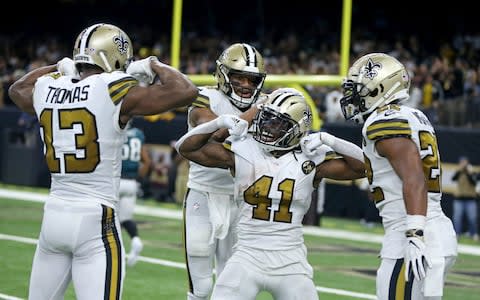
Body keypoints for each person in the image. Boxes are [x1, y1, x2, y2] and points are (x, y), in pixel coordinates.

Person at [8, 23, 197, 300]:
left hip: (53, 216)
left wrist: (56, 69)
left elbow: (17, 89)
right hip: (96, 219)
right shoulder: (112, 88)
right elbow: (184, 90)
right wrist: (153, 64)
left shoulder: (49, 87)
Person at [176, 89, 365, 300]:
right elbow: (184, 148)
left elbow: (364, 167)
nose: (267, 127)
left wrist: (330, 140)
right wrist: (218, 123)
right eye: (265, 119)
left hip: (291, 263)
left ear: (297, 127)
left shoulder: (311, 158)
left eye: (277, 123)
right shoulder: (244, 149)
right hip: (247, 257)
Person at [339, 52, 458, 299]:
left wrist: (415, 235)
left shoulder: (384, 121)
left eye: (361, 90)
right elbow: (374, 162)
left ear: (380, 88)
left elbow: (414, 178)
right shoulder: (412, 116)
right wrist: (329, 141)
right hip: (434, 230)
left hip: (412, 233)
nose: (354, 97)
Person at [182, 42, 267, 300]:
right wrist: (255, 112)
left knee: (233, 287)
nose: (245, 85)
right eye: (239, 76)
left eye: (252, 80)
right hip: (203, 195)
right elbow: (213, 134)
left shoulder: (266, 106)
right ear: (223, 75)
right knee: (202, 287)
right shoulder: (205, 98)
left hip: (242, 200)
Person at [119, 122, 151, 266]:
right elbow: (147, 162)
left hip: (114, 180)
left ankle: (113, 251)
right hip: (131, 183)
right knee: (125, 218)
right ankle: (135, 240)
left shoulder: (116, 130)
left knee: (107, 218)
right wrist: (137, 179)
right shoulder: (138, 133)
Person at [451, 156, 478, 241]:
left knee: (472, 218)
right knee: (457, 218)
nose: (463, 164)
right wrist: (460, 170)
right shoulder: (459, 171)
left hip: (470, 199)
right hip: (459, 198)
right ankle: (457, 234)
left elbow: (473, 182)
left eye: (464, 162)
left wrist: (468, 172)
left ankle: (473, 234)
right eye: (462, 162)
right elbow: (453, 178)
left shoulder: (471, 171)